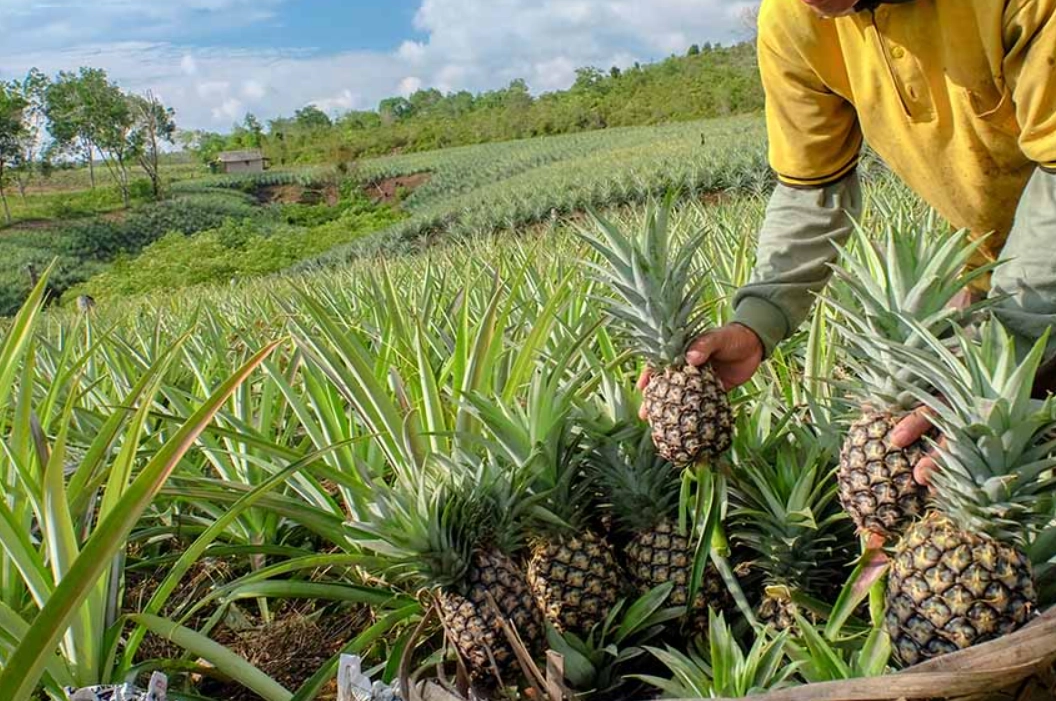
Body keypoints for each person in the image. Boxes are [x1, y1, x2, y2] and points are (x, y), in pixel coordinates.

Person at [642, 0, 1056, 482]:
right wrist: (758, 320)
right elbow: (813, 187)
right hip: (996, 268)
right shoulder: (792, 22)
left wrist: (1009, 345)